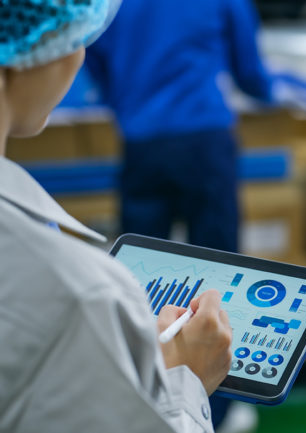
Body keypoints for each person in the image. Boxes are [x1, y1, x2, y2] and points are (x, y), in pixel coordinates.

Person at [0, 1, 233, 432]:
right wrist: (188, 386)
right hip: (205, 136)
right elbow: (248, 63)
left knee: (147, 250)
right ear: (44, 47)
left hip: (141, 135)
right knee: (216, 266)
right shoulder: (80, 293)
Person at [83, 4, 274, 427]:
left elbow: (87, 51)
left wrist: (129, 101)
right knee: (223, 277)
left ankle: (140, 396)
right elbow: (251, 72)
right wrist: (269, 91)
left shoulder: (113, 4)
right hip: (203, 139)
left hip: (142, 142)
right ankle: (216, 409)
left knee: (137, 278)